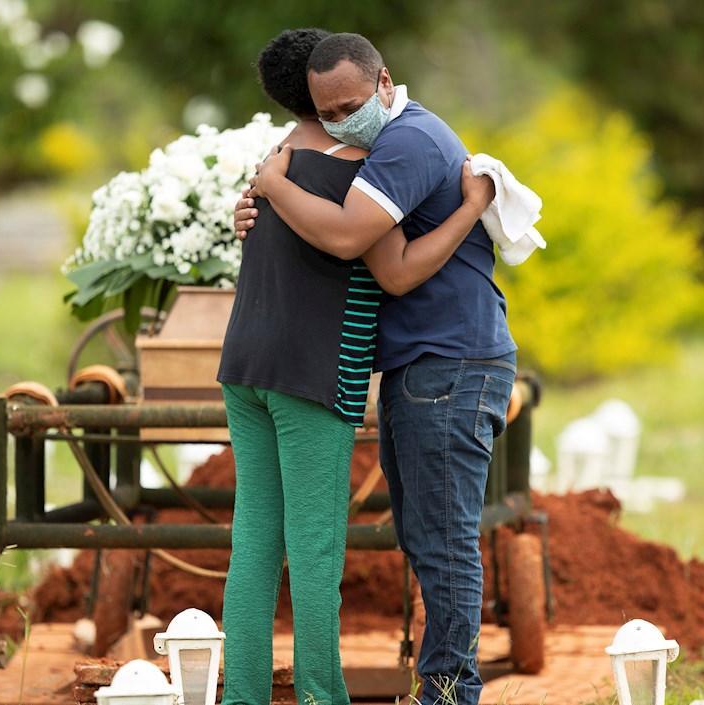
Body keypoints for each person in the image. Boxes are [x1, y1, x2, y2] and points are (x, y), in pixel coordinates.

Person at [216, 29, 497, 705]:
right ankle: (322, 695)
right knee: (315, 550)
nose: (345, 118)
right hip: (313, 373)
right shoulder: (356, 169)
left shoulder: (277, 158)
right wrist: (471, 206)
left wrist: (266, 192)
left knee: (254, 540)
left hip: (245, 365)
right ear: (315, 95)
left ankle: (244, 697)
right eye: (334, 107)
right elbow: (391, 269)